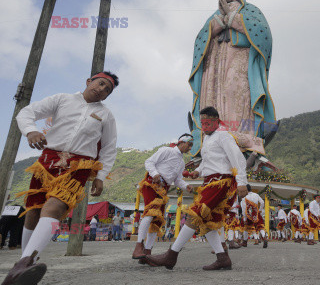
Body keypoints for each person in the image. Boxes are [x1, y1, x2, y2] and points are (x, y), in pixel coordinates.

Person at [2, 71, 119, 285]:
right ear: (88, 82)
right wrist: (30, 131)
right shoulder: (62, 99)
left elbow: (109, 148)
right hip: (47, 162)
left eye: (107, 90)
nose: (102, 89)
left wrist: (101, 176)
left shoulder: (106, 115)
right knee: (34, 212)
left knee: (54, 208)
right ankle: (24, 265)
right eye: (100, 83)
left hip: (79, 167)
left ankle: (23, 265)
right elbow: (26, 113)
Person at [145, 106, 248, 271]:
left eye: (208, 123)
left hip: (221, 181)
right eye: (202, 123)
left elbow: (238, 158)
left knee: (195, 215)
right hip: (209, 181)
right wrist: (197, 171)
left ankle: (171, 255)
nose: (204, 127)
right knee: (207, 221)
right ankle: (222, 258)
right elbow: (207, 162)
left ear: (216, 121)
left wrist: (242, 181)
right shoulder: (206, 140)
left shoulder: (224, 136)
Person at [188, 0, 275, 158]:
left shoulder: (250, 11)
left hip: (239, 63)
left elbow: (263, 35)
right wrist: (216, 26)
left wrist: (233, 19)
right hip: (214, 67)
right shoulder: (213, 16)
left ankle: (243, 144)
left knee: (236, 96)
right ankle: (210, 144)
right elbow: (199, 41)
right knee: (213, 102)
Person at [132, 134, 194, 263]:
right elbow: (149, 162)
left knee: (157, 220)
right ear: (181, 142)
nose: (190, 148)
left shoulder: (182, 163)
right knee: (149, 214)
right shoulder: (167, 150)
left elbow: (177, 180)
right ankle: (138, 247)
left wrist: (186, 186)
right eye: (189, 144)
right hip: (152, 184)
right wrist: (155, 174)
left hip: (164, 189)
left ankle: (147, 253)